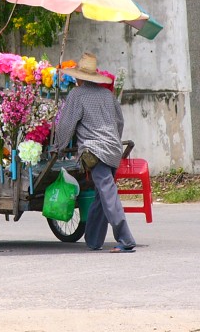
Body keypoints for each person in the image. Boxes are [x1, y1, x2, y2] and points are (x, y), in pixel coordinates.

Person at [54, 52, 137, 253]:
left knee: (107, 193)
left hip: (95, 150)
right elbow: (119, 122)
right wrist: (113, 140)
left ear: (79, 77)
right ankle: (93, 239)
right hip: (113, 148)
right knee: (102, 194)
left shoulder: (77, 94)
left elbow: (66, 124)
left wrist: (58, 147)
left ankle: (125, 239)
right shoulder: (108, 95)